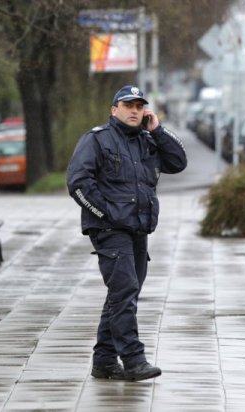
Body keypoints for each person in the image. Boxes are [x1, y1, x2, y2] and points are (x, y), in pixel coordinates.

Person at [66, 85, 187, 381]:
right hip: (110, 229)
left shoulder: (146, 141)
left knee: (122, 293)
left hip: (137, 229)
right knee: (125, 291)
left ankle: (104, 361)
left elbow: (178, 162)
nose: (134, 110)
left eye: (139, 105)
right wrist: (104, 214)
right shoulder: (97, 139)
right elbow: (78, 182)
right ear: (113, 109)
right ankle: (133, 360)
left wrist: (158, 130)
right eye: (128, 105)